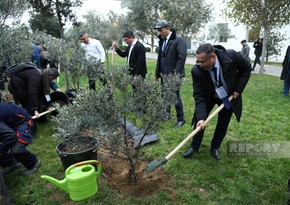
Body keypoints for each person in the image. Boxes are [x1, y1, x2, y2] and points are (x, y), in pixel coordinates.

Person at [183, 43, 251, 160]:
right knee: (200, 121)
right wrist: (200, 118)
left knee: (223, 122)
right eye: (197, 61)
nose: (199, 64)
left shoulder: (231, 56)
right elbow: (199, 95)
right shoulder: (197, 70)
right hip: (209, 96)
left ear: (213, 57)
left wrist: (238, 89)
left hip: (227, 96)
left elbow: (246, 68)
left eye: (203, 62)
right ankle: (195, 146)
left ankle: (215, 147)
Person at [7, 63, 59, 132]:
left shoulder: (44, 76)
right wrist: (35, 110)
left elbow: (44, 93)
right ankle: (30, 131)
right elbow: (32, 92)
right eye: (53, 79)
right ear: (50, 77)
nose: (52, 81)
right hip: (18, 87)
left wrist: (48, 105)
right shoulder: (36, 76)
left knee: (38, 100)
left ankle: (41, 120)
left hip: (27, 85)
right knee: (28, 105)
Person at [154, 20, 187, 128]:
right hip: (164, 74)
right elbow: (160, 58)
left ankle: (181, 119)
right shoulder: (162, 41)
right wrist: (157, 73)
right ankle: (166, 115)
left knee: (175, 96)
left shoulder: (178, 40)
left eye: (161, 30)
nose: (159, 32)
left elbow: (181, 59)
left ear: (168, 28)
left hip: (174, 75)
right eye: (158, 30)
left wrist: (175, 75)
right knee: (164, 95)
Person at [0, 102, 41, 176]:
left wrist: (1, 150)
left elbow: (10, 136)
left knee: (16, 150)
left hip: (23, 122)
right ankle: (10, 163)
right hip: (10, 124)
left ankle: (33, 163)